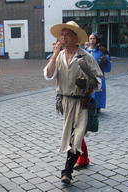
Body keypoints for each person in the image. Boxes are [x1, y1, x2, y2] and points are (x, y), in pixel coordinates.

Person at [44, 21, 103, 184]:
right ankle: (81, 160)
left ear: (76, 38)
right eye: (61, 34)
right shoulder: (59, 56)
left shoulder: (86, 56)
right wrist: (55, 53)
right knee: (71, 136)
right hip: (65, 102)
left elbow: (98, 79)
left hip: (82, 102)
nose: (62, 37)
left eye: (67, 34)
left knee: (75, 139)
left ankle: (67, 172)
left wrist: (90, 85)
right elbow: (49, 75)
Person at [73, 34, 112, 170]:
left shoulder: (91, 53)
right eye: (90, 38)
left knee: (78, 129)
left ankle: (80, 159)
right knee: (75, 130)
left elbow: (104, 71)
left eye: (93, 38)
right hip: (71, 97)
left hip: (85, 92)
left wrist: (105, 60)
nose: (92, 40)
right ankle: (82, 158)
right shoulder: (67, 54)